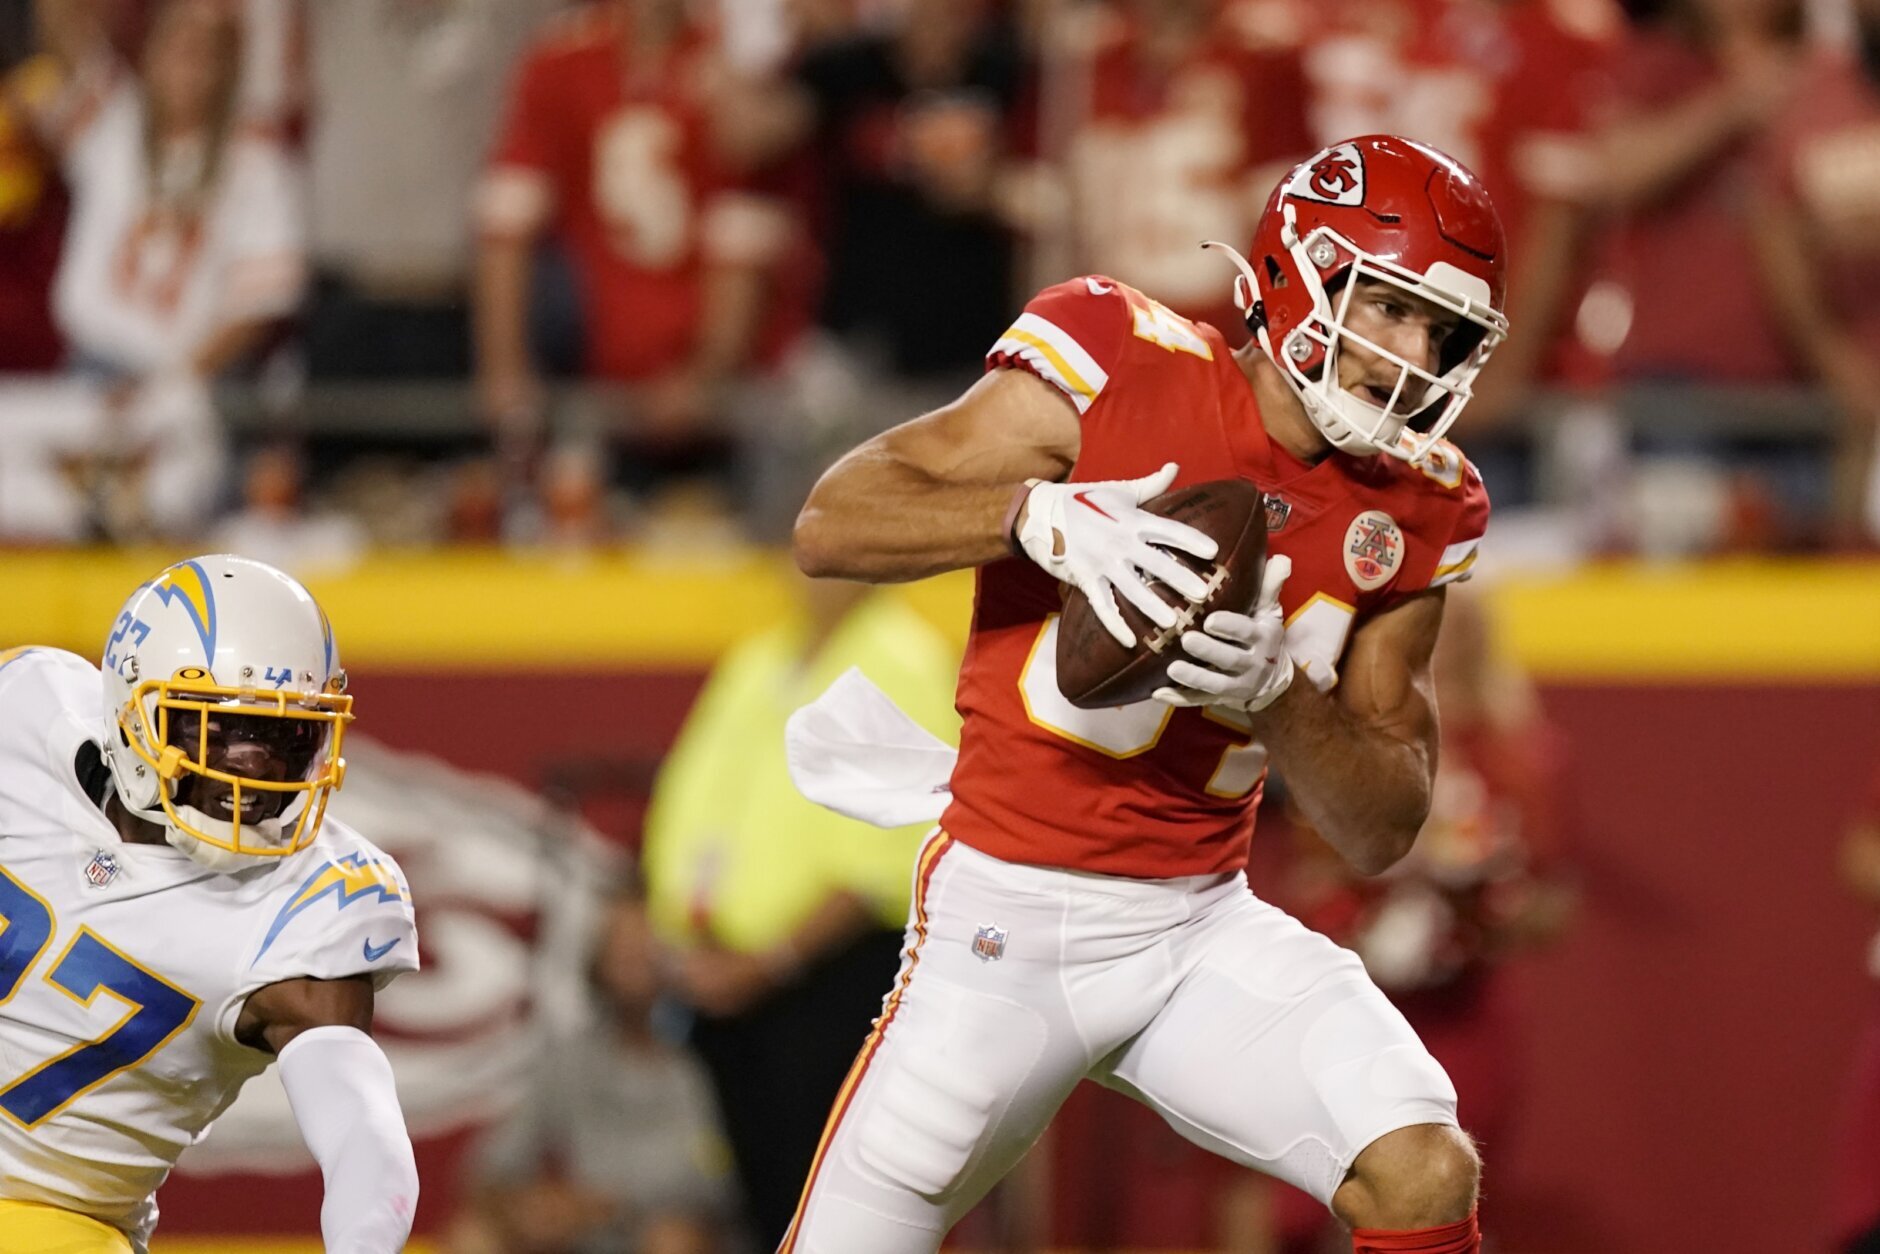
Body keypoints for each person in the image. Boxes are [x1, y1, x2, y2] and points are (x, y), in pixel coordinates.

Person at [786, 133, 1505, 1254]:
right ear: (1298, 272)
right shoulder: (1117, 354)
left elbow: (1381, 826)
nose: (1412, 355)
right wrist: (1032, 517)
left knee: (1419, 1165)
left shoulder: (1422, 504)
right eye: (1389, 308)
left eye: (1442, 332)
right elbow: (829, 526)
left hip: (1192, 926)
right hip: (1002, 921)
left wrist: (1279, 694)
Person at [0, 554, 421, 1254]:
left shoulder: (311, 906)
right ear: (133, 714)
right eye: (217, 729)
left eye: (285, 737)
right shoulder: (24, 710)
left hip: (46, 1217)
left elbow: (362, 1134)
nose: (253, 768)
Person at [641, 567, 961, 1249]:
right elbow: (689, 794)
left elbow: (894, 845)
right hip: (720, 970)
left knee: (822, 1191)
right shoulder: (760, 658)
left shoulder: (905, 659)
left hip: (836, 970)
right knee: (750, 1196)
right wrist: (683, 936)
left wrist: (773, 958)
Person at [449, 884, 735, 1254]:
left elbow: (714, 1190)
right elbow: (491, 1167)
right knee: (475, 1236)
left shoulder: (702, 1064)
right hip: (576, 1233)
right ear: (596, 958)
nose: (630, 962)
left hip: (649, 1232)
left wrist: (607, 1207)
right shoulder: (570, 1059)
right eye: (619, 947)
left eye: (643, 949)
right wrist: (525, 1206)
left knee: (674, 1241)